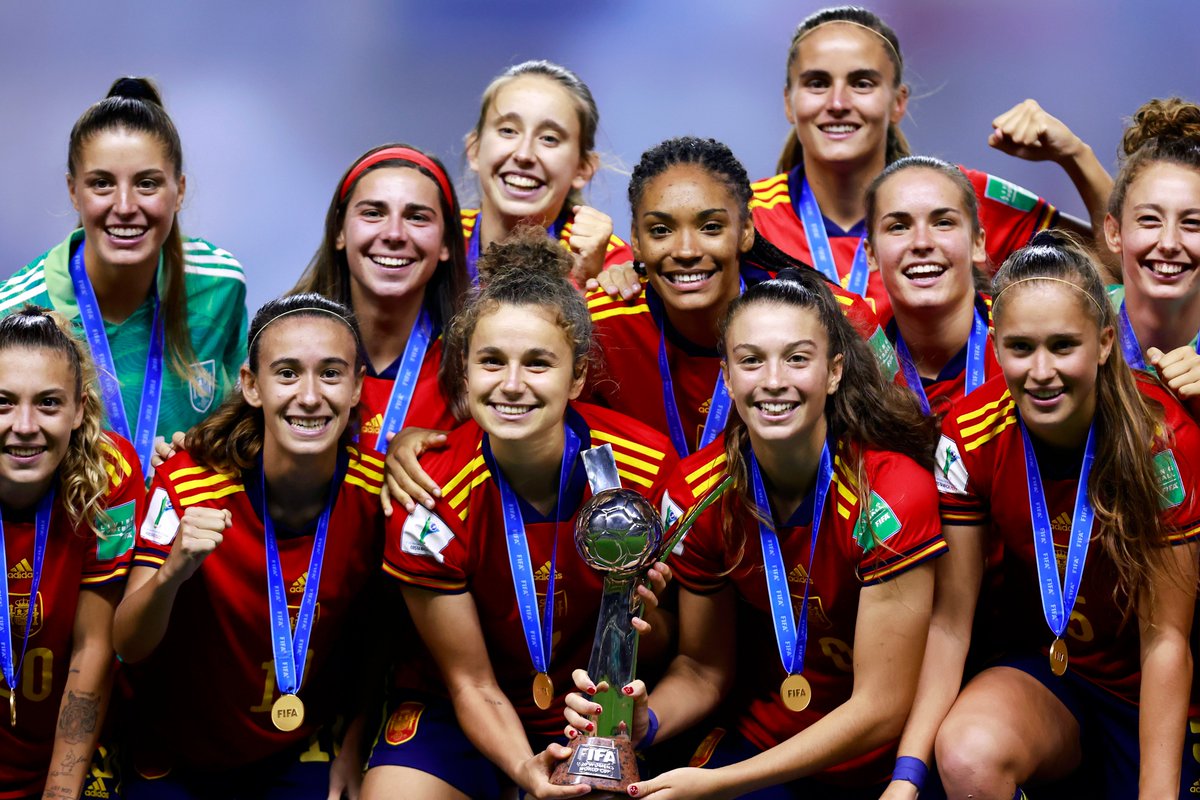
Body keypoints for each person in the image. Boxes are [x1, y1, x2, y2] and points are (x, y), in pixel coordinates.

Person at [567, 268, 946, 798]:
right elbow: (703, 668)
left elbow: (880, 707)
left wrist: (720, 783)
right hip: (762, 742)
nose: (772, 380)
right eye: (751, 360)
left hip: (877, 761)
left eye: (796, 358)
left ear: (834, 371)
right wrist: (642, 720)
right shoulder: (700, 491)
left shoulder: (889, 491)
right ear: (726, 376)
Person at [362, 229, 676, 800]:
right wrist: (526, 771)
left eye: (538, 363)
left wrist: (643, 628)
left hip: (596, 712)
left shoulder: (645, 468)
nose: (512, 385)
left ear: (577, 375)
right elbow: (469, 681)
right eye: (491, 361)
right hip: (458, 714)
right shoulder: (428, 493)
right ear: (464, 369)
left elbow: (670, 646)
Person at [886, 232, 1200, 799]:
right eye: (1021, 347)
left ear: (1105, 343)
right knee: (967, 755)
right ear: (997, 347)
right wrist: (907, 778)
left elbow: (1166, 641)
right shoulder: (970, 434)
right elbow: (950, 623)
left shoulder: (1162, 439)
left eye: (1063, 345)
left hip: (1158, 687)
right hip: (1057, 679)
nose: (1041, 371)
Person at [113, 294, 384, 799]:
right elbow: (128, 643)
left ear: (355, 389)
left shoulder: (376, 493)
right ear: (251, 386)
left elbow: (382, 638)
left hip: (296, 748)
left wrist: (354, 742)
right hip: (176, 750)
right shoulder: (188, 484)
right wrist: (172, 573)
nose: (308, 396)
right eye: (286, 373)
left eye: (330, 373)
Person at [749, 6, 1113, 318]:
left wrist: (1075, 156)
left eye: (862, 83)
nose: (838, 102)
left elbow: (1121, 265)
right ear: (788, 101)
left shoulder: (959, 200)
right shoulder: (746, 217)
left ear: (898, 102)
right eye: (817, 83)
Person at [585, 136, 893, 461]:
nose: (687, 251)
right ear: (635, 238)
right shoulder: (601, 327)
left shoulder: (836, 318)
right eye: (661, 230)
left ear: (745, 230)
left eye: (711, 227)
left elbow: (897, 449)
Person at [0, 76, 248, 475]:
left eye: (147, 183)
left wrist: (207, 445)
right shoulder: (15, 312)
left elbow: (238, 419)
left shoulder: (220, 284)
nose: (125, 206)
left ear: (179, 190)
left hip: (189, 531)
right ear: (73, 191)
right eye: (101, 184)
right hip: (71, 533)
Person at [0, 308, 144, 800]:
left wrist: (60, 794)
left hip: (70, 747)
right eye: (2, 403)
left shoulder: (111, 476)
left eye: (48, 403)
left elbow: (93, 646)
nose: (23, 426)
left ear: (79, 409)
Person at [292, 143, 469, 450]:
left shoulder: (475, 366)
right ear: (339, 231)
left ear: (446, 244)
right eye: (373, 213)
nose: (394, 233)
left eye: (417, 217)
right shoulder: (283, 346)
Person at [463, 60, 631, 286]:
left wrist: (588, 285)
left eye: (549, 138)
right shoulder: (433, 242)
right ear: (475, 149)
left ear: (582, 168)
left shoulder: (613, 267)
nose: (524, 154)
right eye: (508, 131)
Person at [864, 156, 1002, 416]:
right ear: (871, 255)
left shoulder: (1025, 344)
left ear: (977, 243)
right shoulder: (855, 367)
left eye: (943, 223)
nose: (922, 242)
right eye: (898, 227)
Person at [1103, 97, 1200, 410]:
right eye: (1149, 219)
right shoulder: (1076, 325)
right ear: (1114, 233)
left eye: (1193, 223)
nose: (1169, 242)